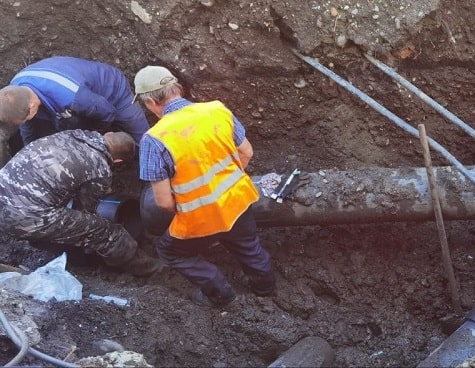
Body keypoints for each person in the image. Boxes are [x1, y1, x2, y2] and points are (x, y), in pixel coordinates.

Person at [134, 65, 276, 307]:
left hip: (199, 217)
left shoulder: (154, 140)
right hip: (237, 201)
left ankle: (222, 294)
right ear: (176, 88)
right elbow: (247, 152)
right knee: (248, 246)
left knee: (170, 251)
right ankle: (266, 290)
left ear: (150, 103)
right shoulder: (217, 110)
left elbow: (164, 202)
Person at [0, 129, 162, 277]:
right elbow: (88, 209)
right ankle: (149, 269)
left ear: (108, 134)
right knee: (104, 231)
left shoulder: (73, 134)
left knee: (62, 212)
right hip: (24, 217)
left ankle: (60, 249)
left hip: (5, 192)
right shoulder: (100, 169)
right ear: (118, 160)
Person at [0, 56, 150, 165]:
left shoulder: (71, 96)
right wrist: (30, 153)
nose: (27, 122)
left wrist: (92, 140)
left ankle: (149, 176)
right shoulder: (16, 91)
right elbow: (28, 129)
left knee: (144, 140)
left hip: (112, 92)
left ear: (32, 106)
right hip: (65, 106)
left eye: (26, 119)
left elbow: (107, 113)